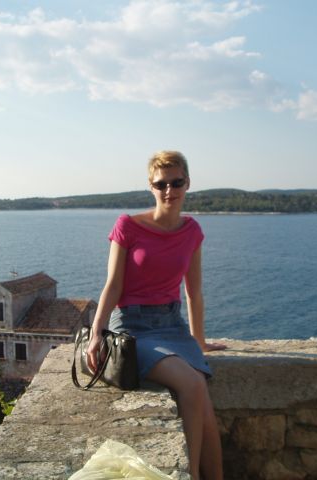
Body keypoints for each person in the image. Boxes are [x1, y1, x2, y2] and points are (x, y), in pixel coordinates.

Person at [86, 150, 226, 480]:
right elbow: (113, 285)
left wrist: (200, 341)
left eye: (176, 182)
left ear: (187, 183)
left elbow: (193, 293)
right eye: (161, 184)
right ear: (151, 186)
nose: (169, 190)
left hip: (173, 325)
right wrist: (96, 333)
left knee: (206, 411)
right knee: (192, 384)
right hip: (133, 326)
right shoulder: (128, 226)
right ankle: (191, 475)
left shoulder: (192, 231)